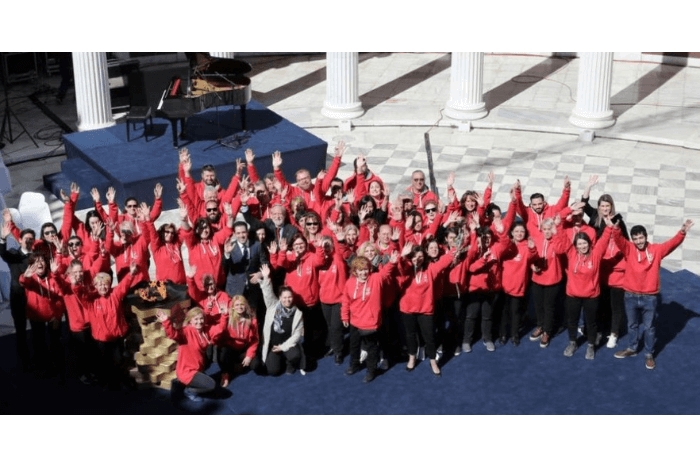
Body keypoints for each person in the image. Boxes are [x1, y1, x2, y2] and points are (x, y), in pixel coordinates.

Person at [610, 218, 694, 370]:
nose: (638, 241)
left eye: (641, 238)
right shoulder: (628, 248)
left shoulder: (656, 250)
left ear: (646, 237)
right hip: (630, 295)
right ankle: (632, 348)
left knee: (649, 328)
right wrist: (615, 229)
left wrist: (682, 232)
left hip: (650, 298)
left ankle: (649, 354)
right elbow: (619, 240)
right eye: (635, 239)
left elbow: (671, 244)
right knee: (632, 325)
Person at [396, 241, 455, 376]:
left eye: (421, 256)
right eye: (414, 256)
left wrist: (454, 248)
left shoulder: (430, 269)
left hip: (425, 309)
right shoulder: (406, 269)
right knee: (410, 335)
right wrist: (402, 256)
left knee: (429, 337)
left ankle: (433, 361)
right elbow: (399, 267)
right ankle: (412, 358)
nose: (418, 259)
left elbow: (444, 261)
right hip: (407, 309)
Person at [342, 253, 398, 383]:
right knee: (354, 345)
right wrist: (344, 316)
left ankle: (371, 370)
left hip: (370, 323)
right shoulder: (350, 283)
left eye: (366, 269)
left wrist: (392, 262)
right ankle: (354, 365)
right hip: (355, 321)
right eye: (360, 270)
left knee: (372, 348)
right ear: (355, 271)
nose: (364, 272)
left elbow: (386, 272)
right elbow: (345, 301)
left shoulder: (376, 278)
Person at [560, 224, 613, 360]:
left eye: (585, 243)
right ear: (575, 246)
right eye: (579, 244)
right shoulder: (571, 253)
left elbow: (604, 240)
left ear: (589, 243)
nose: (583, 246)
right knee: (572, 321)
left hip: (591, 296)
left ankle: (590, 345)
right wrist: (559, 225)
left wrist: (609, 227)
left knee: (591, 322)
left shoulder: (596, 254)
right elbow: (563, 239)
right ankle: (572, 342)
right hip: (573, 295)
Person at [157, 306, 228, 402]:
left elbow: (220, 329)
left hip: (198, 368)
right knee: (211, 385)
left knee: (206, 380)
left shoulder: (205, 330)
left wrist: (224, 315)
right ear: (190, 320)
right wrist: (166, 322)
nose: (199, 321)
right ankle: (189, 391)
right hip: (186, 371)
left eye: (201, 318)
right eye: (196, 319)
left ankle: (187, 382)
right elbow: (173, 334)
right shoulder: (186, 331)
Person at [258, 264, 305, 376]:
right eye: (284, 297)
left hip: (288, 344)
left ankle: (290, 363)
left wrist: (282, 347)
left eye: (289, 297)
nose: (287, 300)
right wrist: (266, 277)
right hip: (274, 345)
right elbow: (268, 293)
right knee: (273, 371)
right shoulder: (272, 306)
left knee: (295, 355)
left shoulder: (297, 313)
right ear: (280, 298)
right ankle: (280, 358)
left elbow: (296, 336)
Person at [0, 220, 34, 370]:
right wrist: (3, 238)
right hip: (18, 298)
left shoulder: (36, 256)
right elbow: (2, 253)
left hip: (34, 298)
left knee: (37, 329)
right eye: (26, 238)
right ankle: (24, 360)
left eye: (31, 239)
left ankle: (38, 355)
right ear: (19, 240)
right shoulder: (14, 255)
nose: (28, 241)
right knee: (21, 331)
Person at [209, 295, 260, 387]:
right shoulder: (228, 318)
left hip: (243, 349)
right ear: (232, 307)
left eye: (242, 304)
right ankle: (225, 374)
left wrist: (249, 355)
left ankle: (237, 366)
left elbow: (254, 340)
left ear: (246, 306)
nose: (239, 307)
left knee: (255, 365)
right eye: (237, 305)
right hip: (230, 348)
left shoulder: (252, 320)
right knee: (222, 352)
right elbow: (220, 332)